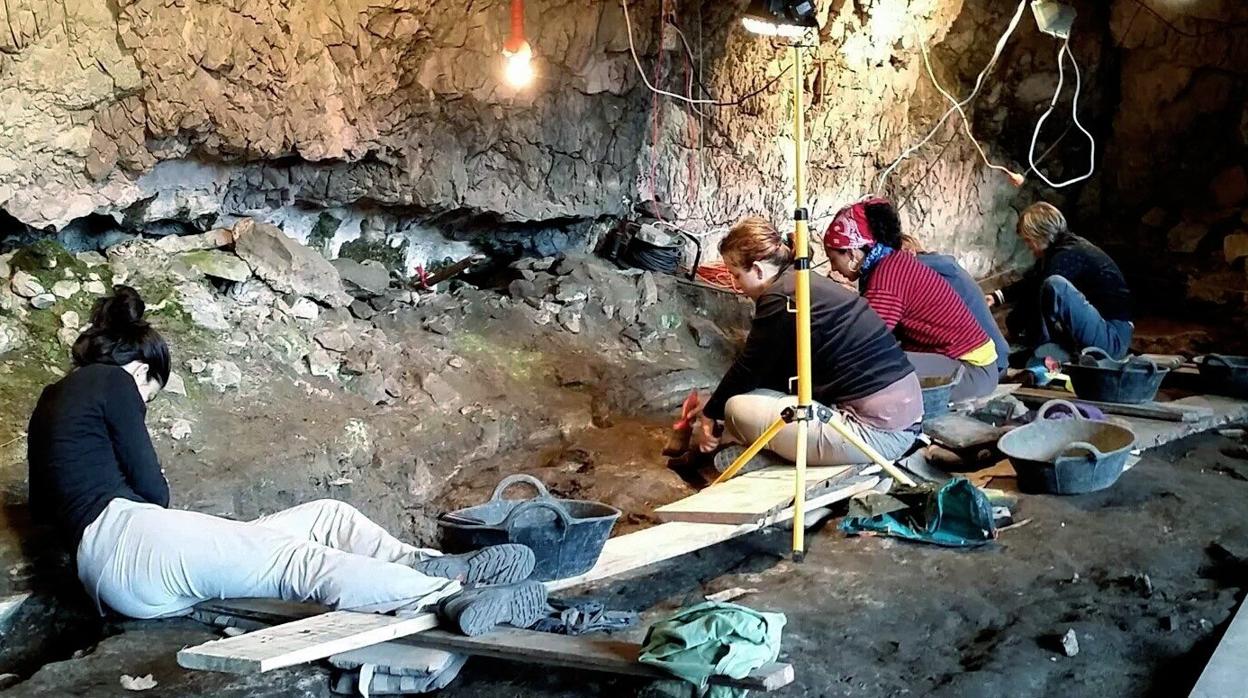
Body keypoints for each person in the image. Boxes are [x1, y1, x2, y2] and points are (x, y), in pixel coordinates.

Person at [27, 286, 544, 636]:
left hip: (118, 562)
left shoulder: (53, 399)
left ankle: (419, 563)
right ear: (142, 371)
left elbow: (50, 510)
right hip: (132, 542)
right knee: (297, 562)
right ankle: (448, 596)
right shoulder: (115, 381)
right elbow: (155, 493)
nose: (144, 405)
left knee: (327, 517)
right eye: (152, 396)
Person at [692, 216, 924, 466]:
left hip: (876, 435)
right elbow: (773, 371)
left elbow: (750, 367)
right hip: (904, 419)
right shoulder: (801, 284)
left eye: (736, 275)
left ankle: (768, 458)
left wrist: (711, 412)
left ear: (758, 270)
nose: (736, 285)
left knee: (736, 410)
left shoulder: (780, 299)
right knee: (751, 398)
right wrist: (715, 402)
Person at [823, 198, 1000, 401]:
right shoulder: (893, 263)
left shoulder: (887, 275)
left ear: (853, 253)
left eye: (833, 259)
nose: (833, 268)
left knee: (868, 368)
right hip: (972, 365)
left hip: (970, 371)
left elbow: (865, 340)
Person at [987, 202, 1133, 361]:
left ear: (1041, 235)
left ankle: (1035, 350)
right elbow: (1032, 282)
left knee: (1054, 285)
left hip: (1112, 338)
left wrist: (1014, 329)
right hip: (1104, 331)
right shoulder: (1060, 251)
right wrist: (996, 297)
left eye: (1029, 241)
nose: (1029, 247)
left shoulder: (1069, 254)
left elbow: (1038, 293)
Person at [895, 233, 1010, 378]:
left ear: (908, 252)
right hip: (997, 358)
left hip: (983, 365)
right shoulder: (945, 267)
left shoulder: (920, 274)